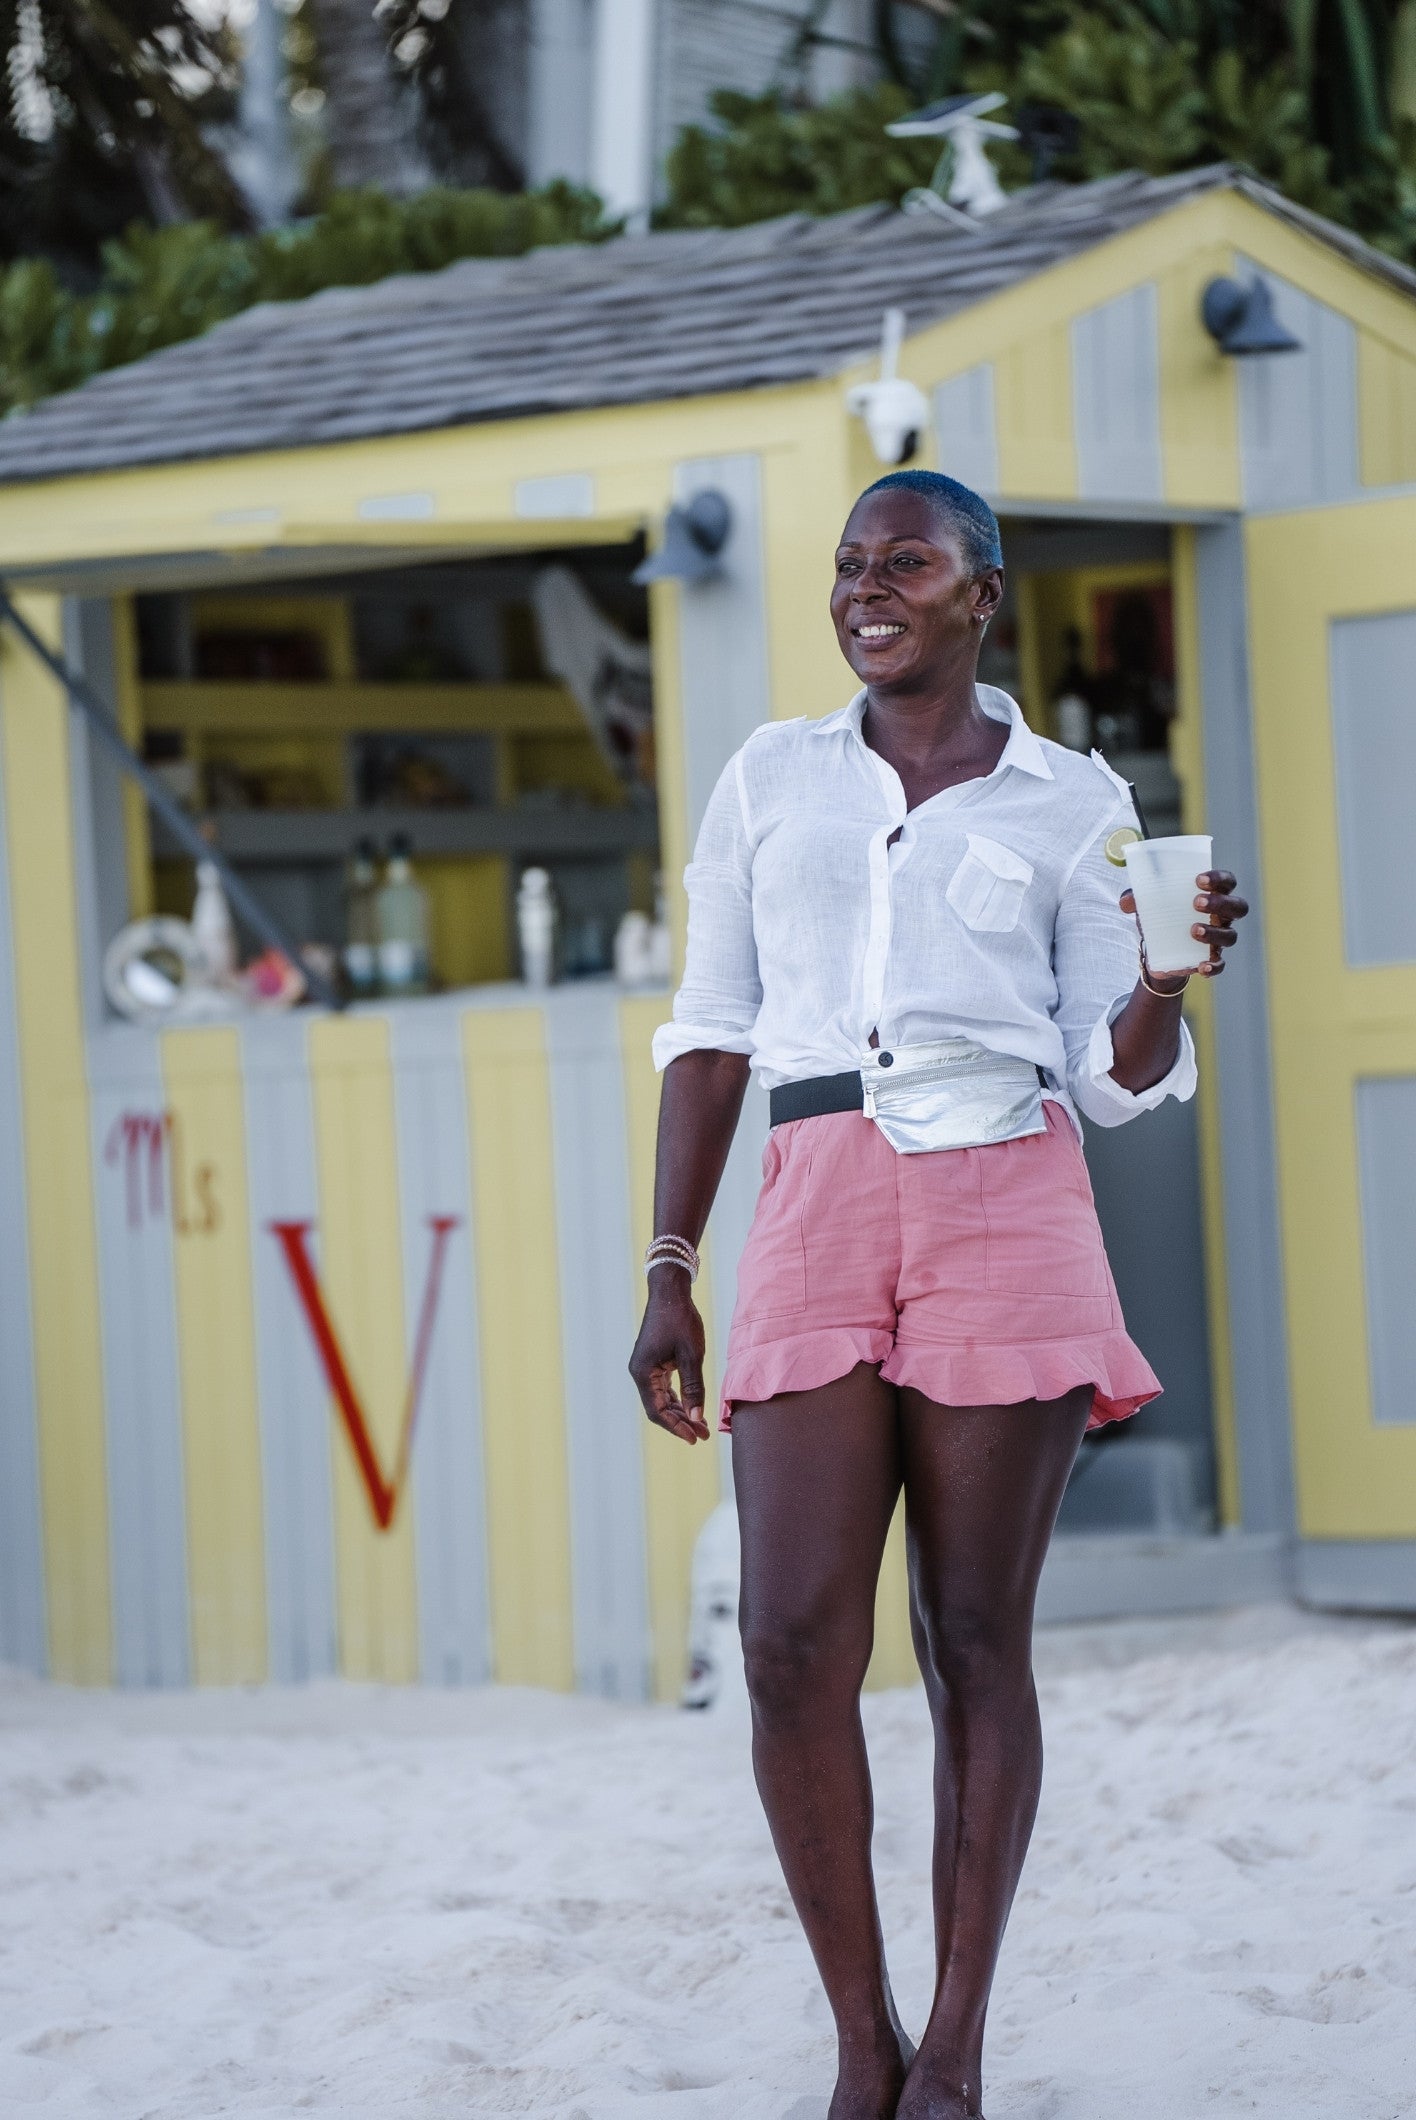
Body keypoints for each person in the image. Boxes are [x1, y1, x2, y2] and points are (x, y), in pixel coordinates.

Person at [629, 471, 1248, 2120]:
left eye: (904, 559)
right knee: (786, 1643)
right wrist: (671, 1268)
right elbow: (710, 1031)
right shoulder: (771, 777)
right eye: (846, 564)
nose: (863, 585)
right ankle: (862, 2041)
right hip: (817, 1201)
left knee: (976, 1639)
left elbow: (1116, 1076)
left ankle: (955, 2058)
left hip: (1008, 1208)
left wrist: (1168, 986)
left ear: (983, 592)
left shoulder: (1070, 798)